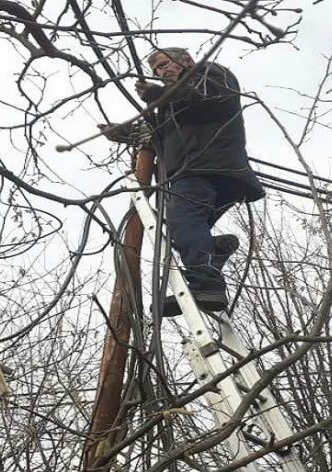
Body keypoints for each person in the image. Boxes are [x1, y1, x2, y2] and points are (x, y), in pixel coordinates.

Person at [102, 47, 264, 317]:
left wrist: (159, 95)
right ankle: (213, 252)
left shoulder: (210, 75)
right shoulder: (171, 106)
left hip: (205, 169)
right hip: (205, 173)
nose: (161, 71)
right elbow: (160, 136)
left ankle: (207, 286)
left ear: (186, 60)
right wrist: (127, 133)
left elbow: (206, 99)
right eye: (156, 70)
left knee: (184, 222)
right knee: (184, 231)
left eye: (165, 64)